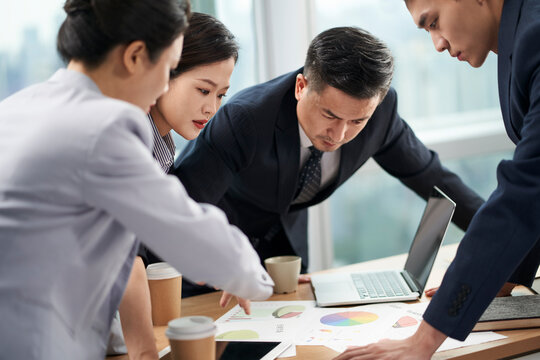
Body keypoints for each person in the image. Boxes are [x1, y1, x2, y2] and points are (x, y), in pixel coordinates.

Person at [0, 1, 273, 359]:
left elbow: (122, 252)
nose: (164, 83)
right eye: (169, 67)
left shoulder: (19, 106)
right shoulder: (106, 127)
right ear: (135, 56)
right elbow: (185, 231)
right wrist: (252, 278)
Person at [173, 26, 484, 297]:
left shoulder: (380, 113)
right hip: (206, 261)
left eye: (357, 121)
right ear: (301, 87)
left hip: (285, 263)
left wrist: (500, 237)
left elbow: (432, 176)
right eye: (329, 115)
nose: (339, 134)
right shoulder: (244, 119)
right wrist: (221, 262)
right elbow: (180, 209)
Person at [334, 0, 540, 359]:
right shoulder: (521, 38)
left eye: (434, 23)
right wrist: (499, 275)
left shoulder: (535, 37)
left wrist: (423, 340)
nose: (438, 44)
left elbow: (525, 192)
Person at [115, 12, 241, 359]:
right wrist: (144, 353)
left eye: (221, 95)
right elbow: (126, 257)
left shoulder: (162, 143)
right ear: (163, 72)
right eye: (203, 90)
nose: (211, 108)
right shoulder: (128, 135)